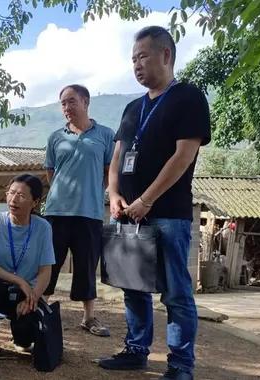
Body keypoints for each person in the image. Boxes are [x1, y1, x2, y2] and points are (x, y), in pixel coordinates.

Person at [98, 26, 211, 380]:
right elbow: (117, 157)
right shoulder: (132, 108)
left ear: (166, 55)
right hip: (128, 216)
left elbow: (183, 156)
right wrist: (114, 195)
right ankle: (136, 350)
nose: (136, 65)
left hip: (168, 216)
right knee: (133, 287)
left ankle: (180, 366)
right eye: (133, 59)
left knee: (176, 293)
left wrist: (146, 199)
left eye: (143, 57)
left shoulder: (189, 97)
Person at [42, 84, 115, 337]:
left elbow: (110, 172)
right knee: (49, 263)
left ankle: (89, 317)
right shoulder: (55, 137)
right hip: (56, 212)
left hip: (90, 213)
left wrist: (91, 191)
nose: (66, 107)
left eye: (71, 101)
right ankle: (39, 308)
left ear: (85, 102)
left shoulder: (105, 135)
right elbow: (51, 173)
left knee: (86, 265)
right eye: (62, 103)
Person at [0, 174, 56, 355]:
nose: (13, 199)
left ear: (35, 202)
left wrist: (32, 297)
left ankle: (21, 335)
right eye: (11, 193)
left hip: (26, 294)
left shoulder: (43, 227)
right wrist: (19, 281)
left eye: (22, 195)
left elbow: (45, 271)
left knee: (25, 339)